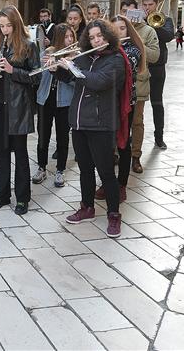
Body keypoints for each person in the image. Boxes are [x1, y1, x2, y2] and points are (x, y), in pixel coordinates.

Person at [61, 20, 125, 237]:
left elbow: (98, 81)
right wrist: (56, 68)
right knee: (85, 169)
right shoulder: (85, 57)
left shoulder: (116, 60)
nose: (96, 40)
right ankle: (87, 207)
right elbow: (71, 79)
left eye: (100, 36)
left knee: (106, 172)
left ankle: (114, 215)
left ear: (108, 36)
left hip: (101, 124)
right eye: (92, 37)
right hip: (79, 122)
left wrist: (72, 67)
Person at [0, 5, 40, 215]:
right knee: (2, 153)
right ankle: (1, 195)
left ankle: (23, 198)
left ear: (16, 24)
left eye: (8, 25)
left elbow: (37, 76)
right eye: (2, 26)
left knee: (20, 154)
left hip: (19, 107)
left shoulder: (29, 45)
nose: (5, 30)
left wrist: (12, 70)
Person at [95, 16, 145, 203]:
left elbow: (125, 65)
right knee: (106, 146)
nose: (119, 32)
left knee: (123, 144)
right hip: (106, 103)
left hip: (125, 104)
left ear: (128, 30)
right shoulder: (105, 49)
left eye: (122, 28)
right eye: (114, 30)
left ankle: (121, 184)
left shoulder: (132, 50)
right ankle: (107, 183)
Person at [33, 23, 75, 188]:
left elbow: (76, 82)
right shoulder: (46, 53)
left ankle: (60, 170)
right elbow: (37, 78)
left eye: (72, 36)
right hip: (45, 99)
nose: (70, 40)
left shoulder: (75, 56)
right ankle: (41, 167)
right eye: (66, 37)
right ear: (58, 38)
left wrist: (61, 69)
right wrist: (47, 66)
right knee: (43, 136)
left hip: (65, 102)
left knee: (63, 137)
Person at [120, 0, 159, 174]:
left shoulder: (149, 31)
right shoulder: (115, 29)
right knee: (117, 120)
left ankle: (135, 156)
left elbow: (154, 56)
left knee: (136, 122)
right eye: (125, 11)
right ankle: (117, 153)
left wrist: (137, 42)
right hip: (118, 84)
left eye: (132, 11)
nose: (128, 15)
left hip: (139, 83)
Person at [141, 0, 174, 150]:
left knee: (156, 102)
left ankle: (159, 137)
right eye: (145, 5)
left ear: (156, 4)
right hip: (140, 66)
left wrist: (152, 24)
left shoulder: (166, 20)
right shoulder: (138, 19)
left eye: (150, 5)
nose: (148, 8)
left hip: (157, 67)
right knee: (137, 103)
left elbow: (168, 36)